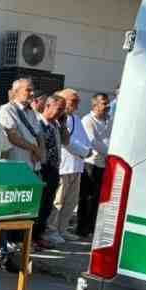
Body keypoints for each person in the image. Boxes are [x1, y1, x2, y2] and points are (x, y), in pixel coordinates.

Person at [49, 89, 91, 243]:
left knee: (71, 202)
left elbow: (86, 139)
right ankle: (52, 230)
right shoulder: (61, 119)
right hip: (64, 166)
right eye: (74, 101)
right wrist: (85, 151)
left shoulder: (76, 119)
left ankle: (62, 229)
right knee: (58, 201)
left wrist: (87, 150)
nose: (77, 105)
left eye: (77, 101)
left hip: (77, 165)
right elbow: (67, 141)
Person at [77, 93, 112, 240]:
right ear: (95, 105)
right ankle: (82, 228)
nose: (107, 106)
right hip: (91, 163)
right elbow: (92, 141)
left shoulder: (109, 120)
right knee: (87, 197)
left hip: (105, 163)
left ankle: (92, 227)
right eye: (104, 103)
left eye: (108, 103)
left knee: (98, 198)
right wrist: (110, 152)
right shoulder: (87, 120)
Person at [35, 95, 68, 249]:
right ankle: (32, 236)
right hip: (42, 167)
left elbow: (66, 141)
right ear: (48, 106)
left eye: (63, 110)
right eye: (59, 109)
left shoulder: (56, 124)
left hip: (54, 168)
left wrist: (63, 124)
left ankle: (39, 235)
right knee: (39, 204)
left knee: (48, 204)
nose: (61, 112)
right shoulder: (37, 123)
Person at [0, 78, 44, 173]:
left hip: (33, 165)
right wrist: (34, 148)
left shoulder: (31, 112)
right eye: (28, 90)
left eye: (33, 90)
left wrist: (39, 151)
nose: (32, 93)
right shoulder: (7, 110)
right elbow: (13, 137)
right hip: (17, 165)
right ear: (16, 92)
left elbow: (37, 134)